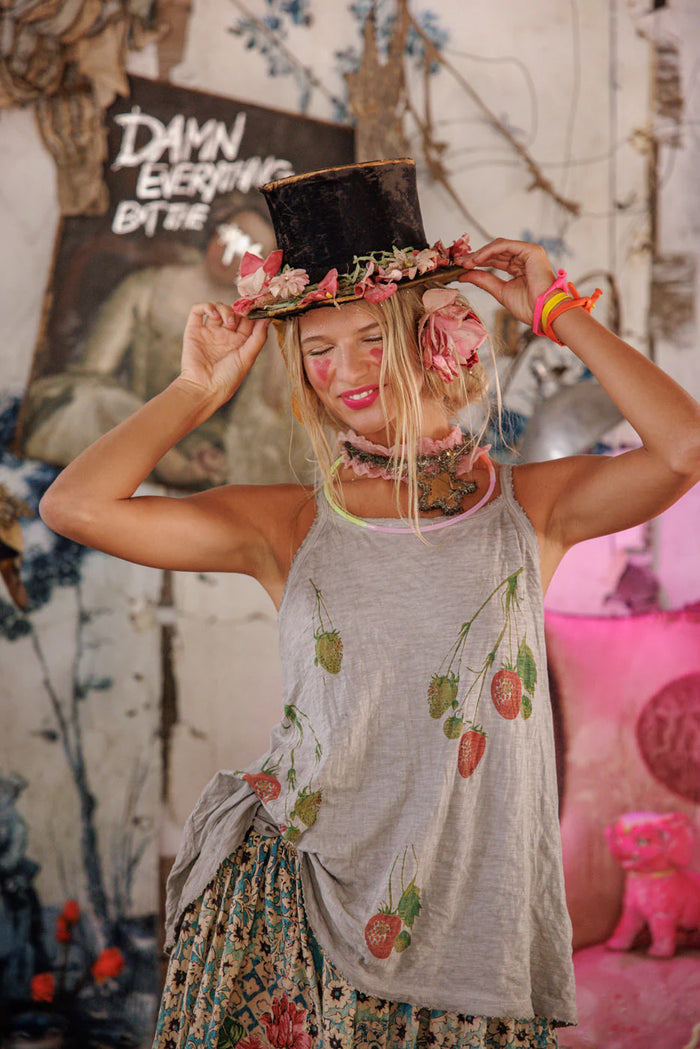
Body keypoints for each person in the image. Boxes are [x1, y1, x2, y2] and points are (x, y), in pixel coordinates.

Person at [39, 160, 700, 1049]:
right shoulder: (288, 522)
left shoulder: (529, 509)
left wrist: (559, 313)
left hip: (477, 928)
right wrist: (194, 391)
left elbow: (685, 448)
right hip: (294, 911)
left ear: (433, 337)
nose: (343, 371)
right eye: (316, 349)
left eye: (368, 339)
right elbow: (75, 506)